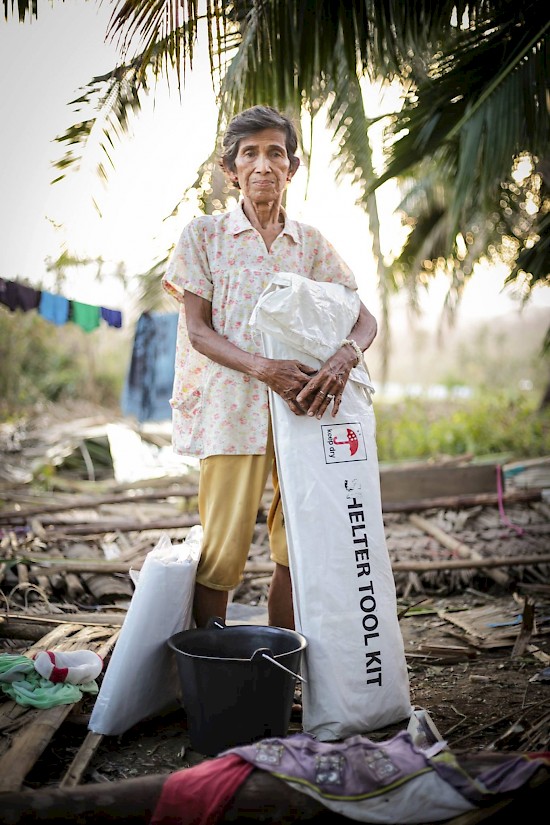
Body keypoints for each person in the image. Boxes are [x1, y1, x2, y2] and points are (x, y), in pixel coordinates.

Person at [163, 105, 377, 630]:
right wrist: (265, 369)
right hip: (231, 415)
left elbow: (363, 319)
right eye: (249, 154)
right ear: (230, 169)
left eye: (275, 153)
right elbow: (198, 331)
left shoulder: (309, 244)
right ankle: (214, 677)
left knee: (296, 546)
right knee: (222, 551)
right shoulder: (205, 236)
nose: (263, 164)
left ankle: (283, 668)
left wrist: (343, 358)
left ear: (292, 168)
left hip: (303, 413)